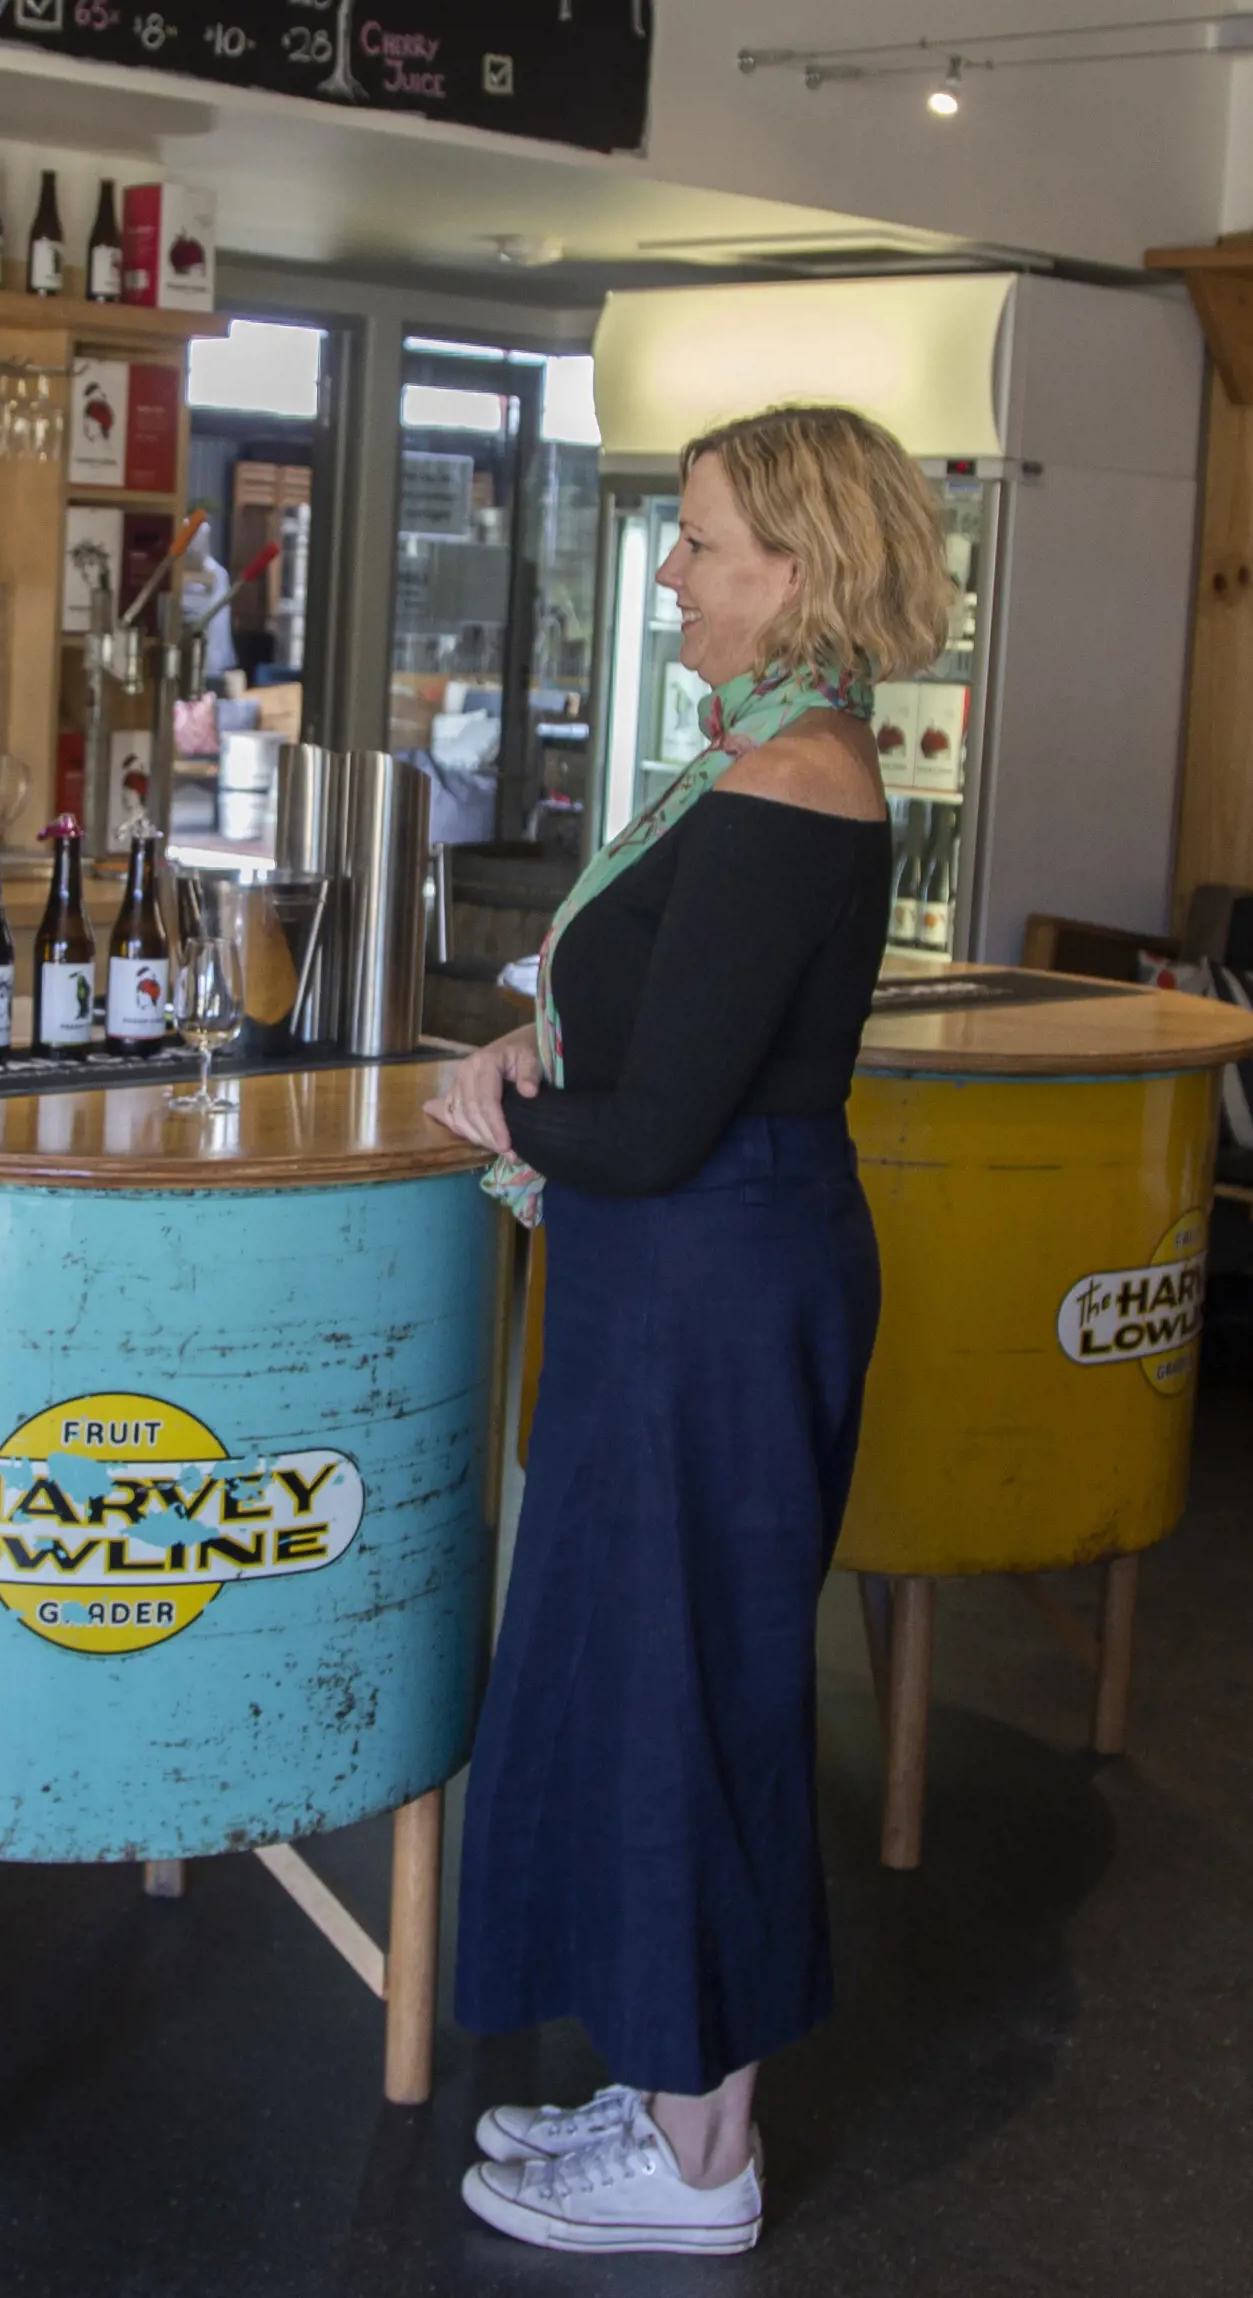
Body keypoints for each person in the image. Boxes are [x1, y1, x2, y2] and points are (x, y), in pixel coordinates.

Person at [423, 404, 951, 2252]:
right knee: (650, 1672)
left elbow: (654, 1130)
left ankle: (701, 2163)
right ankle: (671, 2082)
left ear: (794, 571)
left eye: (701, 540)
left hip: (713, 1279)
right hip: (682, 1272)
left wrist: (487, 1110)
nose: (668, 571)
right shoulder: (753, 758)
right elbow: (650, 1048)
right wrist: (527, 1047)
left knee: (692, 1686)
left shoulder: (791, 777)